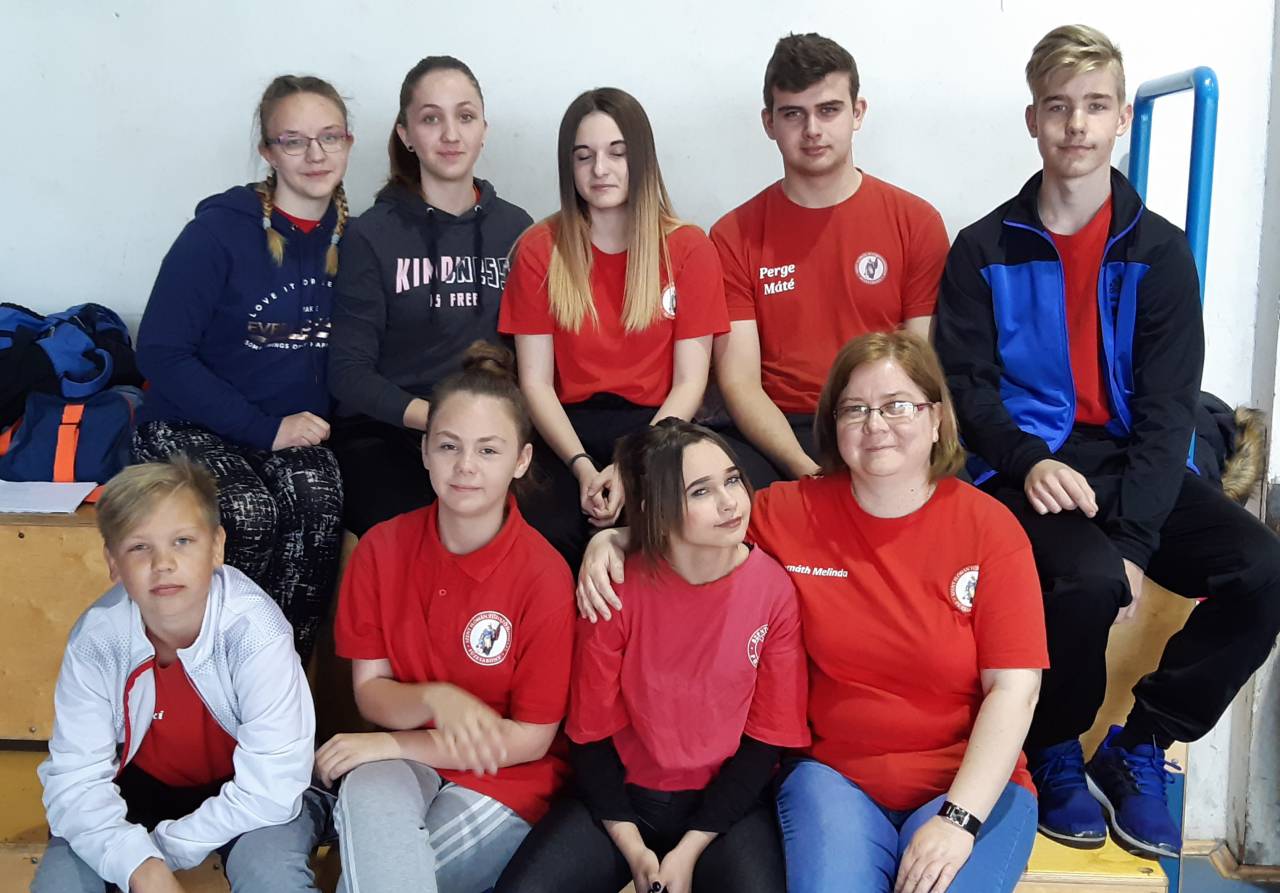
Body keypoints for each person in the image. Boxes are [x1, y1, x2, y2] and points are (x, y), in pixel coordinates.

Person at [933, 24, 1280, 858]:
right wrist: (1026, 460)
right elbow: (967, 390)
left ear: (1123, 117)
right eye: (1058, 107)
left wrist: (1134, 542)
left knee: (1263, 569)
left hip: (1133, 461)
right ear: (1033, 119)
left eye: (1095, 106)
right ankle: (1054, 745)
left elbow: (1167, 413)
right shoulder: (982, 249)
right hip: (1024, 463)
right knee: (1084, 581)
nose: (1077, 125)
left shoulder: (1160, 252)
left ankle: (1141, 740)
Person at [579, 332, 1046, 892]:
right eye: (855, 409)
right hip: (835, 778)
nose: (876, 424)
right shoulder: (788, 511)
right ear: (833, 424)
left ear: (936, 418)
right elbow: (692, 526)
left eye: (897, 405)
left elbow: (1015, 690)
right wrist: (614, 540)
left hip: (968, 785)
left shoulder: (991, 530)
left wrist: (958, 821)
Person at [494, 419, 809, 893]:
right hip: (623, 801)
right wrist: (634, 849)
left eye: (732, 480)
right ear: (655, 508)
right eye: (700, 491)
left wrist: (689, 850)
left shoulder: (773, 590)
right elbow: (589, 736)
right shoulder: (614, 587)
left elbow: (765, 742)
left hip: (724, 809)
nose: (730, 502)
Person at [316, 342, 575, 893]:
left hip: (505, 779)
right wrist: (436, 700)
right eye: (449, 445)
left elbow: (530, 740)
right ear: (425, 451)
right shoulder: (381, 547)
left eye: (488, 450)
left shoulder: (545, 575)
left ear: (521, 461)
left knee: (392, 874)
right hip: (408, 760)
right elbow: (372, 694)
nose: (465, 467)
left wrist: (393, 743)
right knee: (367, 795)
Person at [133, 74, 351, 662]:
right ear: (268, 152)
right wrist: (263, 429)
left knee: (319, 497)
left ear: (348, 144)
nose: (315, 154)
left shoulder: (355, 241)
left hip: (287, 431)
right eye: (294, 141)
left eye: (329, 137)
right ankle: (209, 677)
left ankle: (279, 681)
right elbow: (160, 351)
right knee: (248, 515)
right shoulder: (216, 233)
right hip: (188, 423)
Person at [34, 458, 326, 893]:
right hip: (139, 791)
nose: (163, 563)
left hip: (253, 797)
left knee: (271, 877)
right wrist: (134, 860)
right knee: (62, 883)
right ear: (112, 562)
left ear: (217, 547)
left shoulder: (255, 631)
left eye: (183, 541)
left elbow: (271, 786)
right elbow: (75, 782)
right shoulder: (97, 639)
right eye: (139, 547)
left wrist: (160, 854)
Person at [499, 87, 730, 565]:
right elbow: (536, 383)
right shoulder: (539, 249)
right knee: (548, 529)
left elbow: (690, 383)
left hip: (659, 426)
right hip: (566, 430)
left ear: (642, 158)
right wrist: (583, 468)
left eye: (617, 153)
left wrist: (629, 467)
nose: (600, 169)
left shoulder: (689, 249)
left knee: (657, 523)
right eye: (584, 156)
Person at [709, 33, 951, 487]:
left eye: (828, 110)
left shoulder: (916, 222)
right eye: (793, 114)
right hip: (782, 431)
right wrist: (803, 468)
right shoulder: (732, 235)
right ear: (769, 122)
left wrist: (878, 439)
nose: (812, 130)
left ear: (858, 112)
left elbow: (922, 367)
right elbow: (740, 382)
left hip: (884, 420)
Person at [328, 56, 533, 536]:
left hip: (491, 430)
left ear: (484, 130)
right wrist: (443, 425)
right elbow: (348, 373)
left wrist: (486, 431)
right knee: (422, 528)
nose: (450, 134)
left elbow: (534, 357)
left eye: (465, 116)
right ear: (406, 134)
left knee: (548, 520)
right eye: (430, 119)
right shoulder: (371, 234)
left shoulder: (517, 229)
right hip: (391, 433)